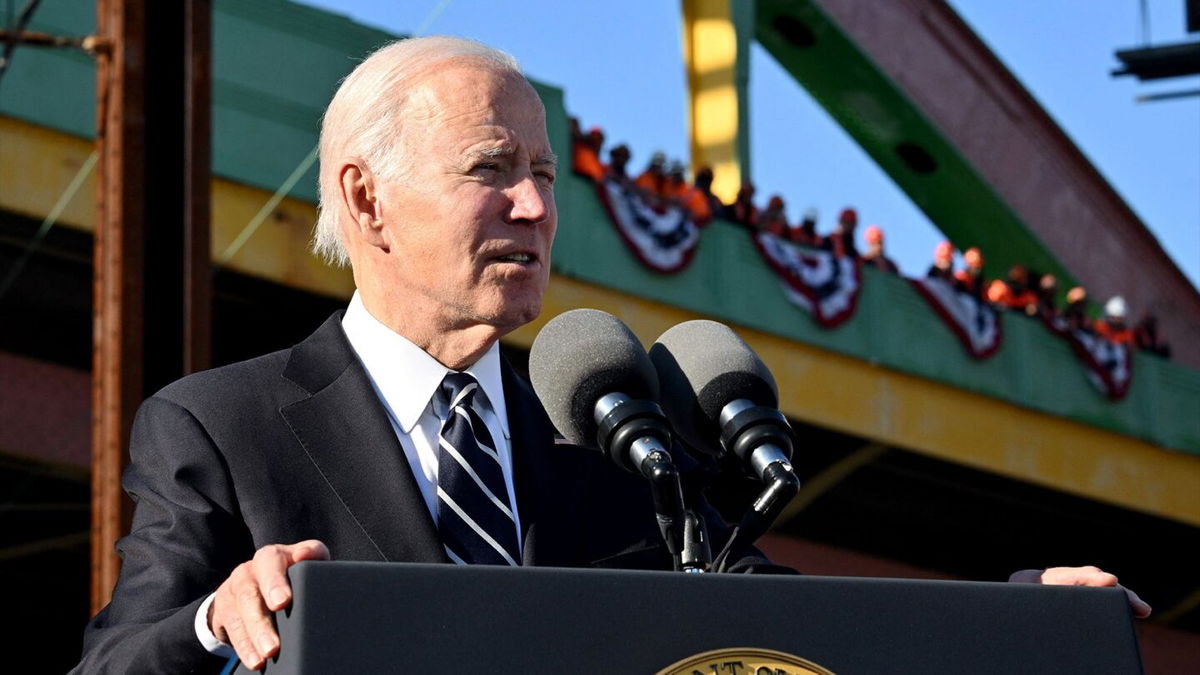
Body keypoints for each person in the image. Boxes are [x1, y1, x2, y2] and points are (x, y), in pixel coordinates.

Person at [73, 36, 1149, 675]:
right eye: (492, 168)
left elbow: (777, 636)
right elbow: (116, 667)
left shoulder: (609, 423)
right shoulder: (223, 425)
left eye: (546, 170)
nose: (538, 206)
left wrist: (1026, 617)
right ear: (365, 199)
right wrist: (221, 618)